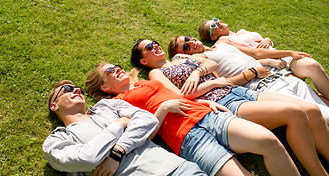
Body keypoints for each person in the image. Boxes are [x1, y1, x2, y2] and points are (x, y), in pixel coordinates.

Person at [131, 38, 329, 176]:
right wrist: (211, 84)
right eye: (149, 46)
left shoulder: (180, 58)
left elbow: (210, 64)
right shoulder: (155, 75)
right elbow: (180, 97)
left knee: (310, 110)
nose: (155, 46)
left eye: (155, 43)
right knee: (294, 112)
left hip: (239, 91)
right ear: (144, 60)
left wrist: (197, 73)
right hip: (224, 101)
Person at [85, 64, 301, 176]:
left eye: (115, 66)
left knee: (269, 142)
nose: (117, 68)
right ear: (105, 87)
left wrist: (206, 102)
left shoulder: (142, 82)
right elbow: (144, 135)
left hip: (208, 115)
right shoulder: (118, 104)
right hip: (187, 138)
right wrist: (162, 109)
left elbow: (178, 96)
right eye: (110, 71)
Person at [43, 80, 208, 176]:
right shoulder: (56, 141)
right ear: (54, 105)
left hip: (176, 169)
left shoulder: (107, 105)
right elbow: (87, 159)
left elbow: (148, 120)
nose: (77, 90)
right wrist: (120, 124)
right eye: (68, 89)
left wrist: (117, 153)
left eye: (78, 89)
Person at [167, 35, 329, 123]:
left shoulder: (223, 43)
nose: (191, 43)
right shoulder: (200, 59)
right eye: (186, 46)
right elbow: (224, 85)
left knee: (325, 110)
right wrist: (251, 73)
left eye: (188, 38)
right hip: (266, 89)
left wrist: (289, 52)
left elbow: (257, 54)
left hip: (282, 77)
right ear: (185, 54)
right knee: (324, 117)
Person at [198, 18, 329, 100]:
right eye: (213, 26)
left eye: (215, 20)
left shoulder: (242, 31)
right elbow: (255, 53)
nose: (217, 23)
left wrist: (268, 39)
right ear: (213, 37)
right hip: (272, 65)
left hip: (284, 57)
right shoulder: (224, 41)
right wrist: (288, 53)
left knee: (313, 66)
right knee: (306, 92)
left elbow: (263, 43)